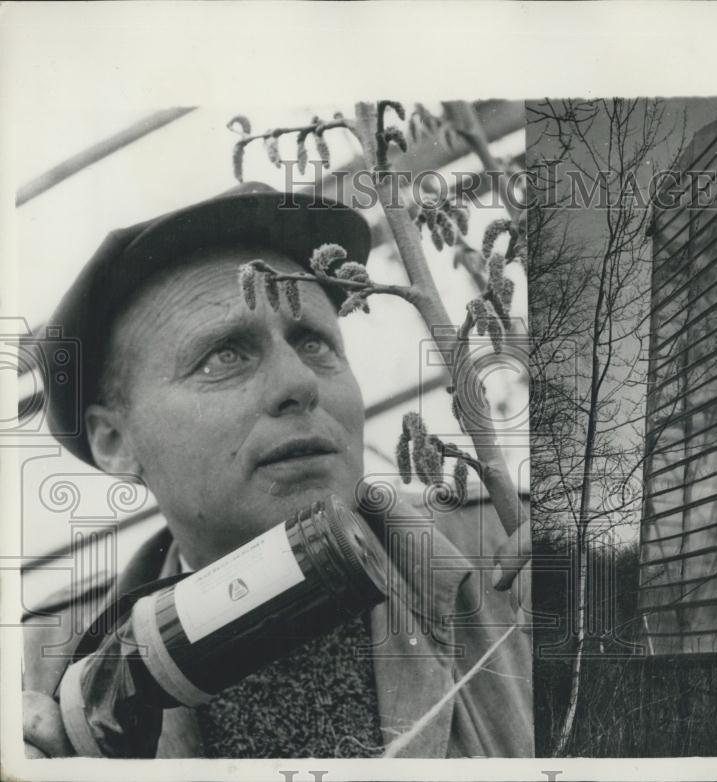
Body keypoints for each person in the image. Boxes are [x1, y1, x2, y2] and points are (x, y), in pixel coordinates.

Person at [21, 182, 533, 759]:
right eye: (225, 355)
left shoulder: (515, 562)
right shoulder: (37, 667)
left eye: (315, 344)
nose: (299, 383)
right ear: (116, 441)